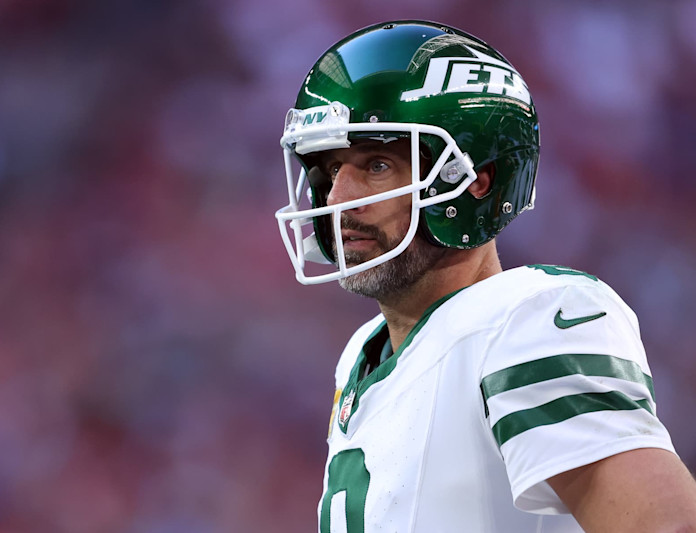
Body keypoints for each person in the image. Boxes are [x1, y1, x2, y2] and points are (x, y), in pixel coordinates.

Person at [274, 20, 696, 532]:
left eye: (377, 163)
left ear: (476, 182)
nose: (338, 198)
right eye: (329, 169)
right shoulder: (365, 355)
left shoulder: (526, 321)